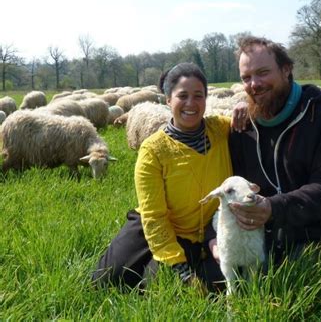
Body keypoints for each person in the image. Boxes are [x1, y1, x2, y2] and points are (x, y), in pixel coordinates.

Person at [92, 62, 245, 292]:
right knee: (105, 281)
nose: (191, 104)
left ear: (206, 98)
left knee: (201, 287)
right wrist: (180, 268)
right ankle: (167, 262)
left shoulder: (221, 129)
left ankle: (183, 263)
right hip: (158, 226)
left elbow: (253, 114)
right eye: (182, 96)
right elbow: (154, 217)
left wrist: (243, 104)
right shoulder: (153, 150)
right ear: (168, 100)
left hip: (208, 229)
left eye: (198, 95)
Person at [207, 36, 321, 275]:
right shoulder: (244, 125)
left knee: (300, 279)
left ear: (286, 70)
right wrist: (213, 235)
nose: (254, 84)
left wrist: (272, 208)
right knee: (213, 274)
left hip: (317, 231)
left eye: (263, 72)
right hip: (258, 234)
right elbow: (231, 185)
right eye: (246, 77)